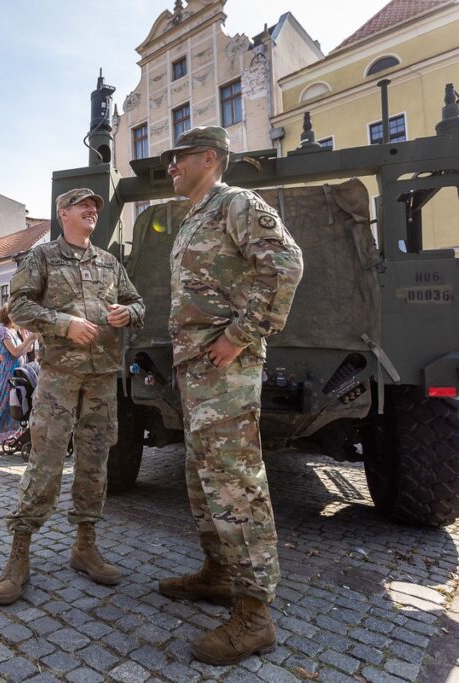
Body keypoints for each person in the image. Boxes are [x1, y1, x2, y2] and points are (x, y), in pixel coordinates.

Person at [157, 126, 304, 665]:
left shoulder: (236, 203)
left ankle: (253, 616)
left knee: (235, 482)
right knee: (203, 478)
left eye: (179, 157)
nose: (171, 165)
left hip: (226, 366)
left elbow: (286, 265)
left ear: (210, 159)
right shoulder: (195, 215)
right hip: (197, 370)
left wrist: (239, 334)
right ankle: (219, 573)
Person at [0, 188, 144, 605]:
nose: (92, 210)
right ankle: (19, 556)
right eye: (83, 205)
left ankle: (85, 546)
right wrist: (63, 324)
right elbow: (18, 306)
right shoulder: (41, 258)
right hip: (59, 376)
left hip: (102, 377)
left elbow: (137, 303)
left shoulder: (110, 262)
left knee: (95, 463)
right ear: (63, 214)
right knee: (46, 461)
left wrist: (126, 313)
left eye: (95, 206)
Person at [0, 305, 38, 455]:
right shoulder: (3, 331)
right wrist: (29, 338)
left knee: (17, 405)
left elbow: (27, 350)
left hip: (18, 372)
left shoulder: (14, 331)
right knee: (2, 405)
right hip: (8, 372)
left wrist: (28, 336)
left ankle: (12, 437)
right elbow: (15, 352)